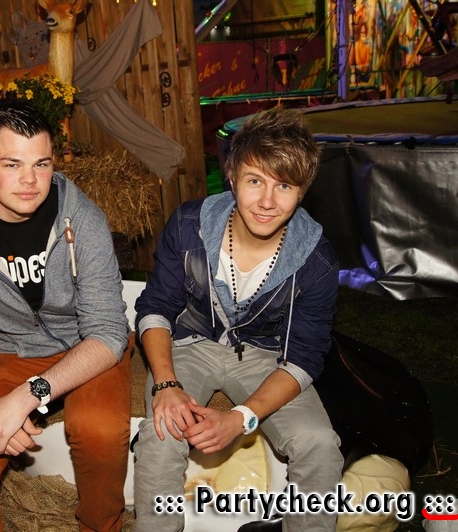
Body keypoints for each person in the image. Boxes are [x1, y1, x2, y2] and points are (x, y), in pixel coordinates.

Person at [0, 102, 132, 531]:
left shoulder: (82, 218)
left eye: (41, 164)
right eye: (12, 163)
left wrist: (24, 398)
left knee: (98, 429)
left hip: (86, 345)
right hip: (11, 348)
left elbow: (108, 332)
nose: (30, 180)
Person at [133, 107, 342, 531]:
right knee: (161, 433)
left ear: (302, 191)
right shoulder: (189, 225)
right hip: (190, 342)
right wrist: (166, 385)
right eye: (255, 181)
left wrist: (242, 417)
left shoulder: (316, 259)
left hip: (268, 356)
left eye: (284, 185)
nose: (267, 201)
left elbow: (304, 357)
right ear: (231, 176)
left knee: (320, 445)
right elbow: (155, 307)